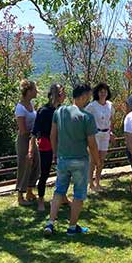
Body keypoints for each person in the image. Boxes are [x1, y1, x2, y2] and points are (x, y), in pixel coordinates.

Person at [43, 84, 100, 236]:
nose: (88, 100)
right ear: (82, 97)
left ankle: (50, 223)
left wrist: (55, 153)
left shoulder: (59, 111)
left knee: (59, 191)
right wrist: (97, 160)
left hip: (62, 158)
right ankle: (72, 227)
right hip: (80, 160)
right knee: (79, 194)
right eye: (87, 97)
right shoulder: (87, 117)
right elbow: (92, 143)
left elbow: (52, 135)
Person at [32, 83, 66, 211]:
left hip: (61, 144)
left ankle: (62, 197)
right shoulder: (44, 111)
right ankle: (41, 200)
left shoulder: (62, 110)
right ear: (58, 95)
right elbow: (35, 130)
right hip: (46, 145)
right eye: (63, 93)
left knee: (63, 172)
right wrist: (31, 147)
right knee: (44, 173)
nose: (64, 95)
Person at [85, 82, 116, 192]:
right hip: (95, 134)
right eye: (101, 92)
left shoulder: (110, 105)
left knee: (101, 160)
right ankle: (90, 184)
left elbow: (111, 119)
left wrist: (111, 132)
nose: (103, 94)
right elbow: (85, 118)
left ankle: (98, 182)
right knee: (93, 160)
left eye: (105, 92)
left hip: (105, 134)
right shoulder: (92, 106)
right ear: (97, 93)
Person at [15, 79, 40, 206]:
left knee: (36, 164)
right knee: (24, 166)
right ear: (29, 91)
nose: (37, 91)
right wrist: (35, 132)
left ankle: (30, 191)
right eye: (35, 89)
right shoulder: (20, 108)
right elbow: (23, 129)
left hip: (32, 139)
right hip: (24, 140)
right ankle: (20, 195)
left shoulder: (31, 105)